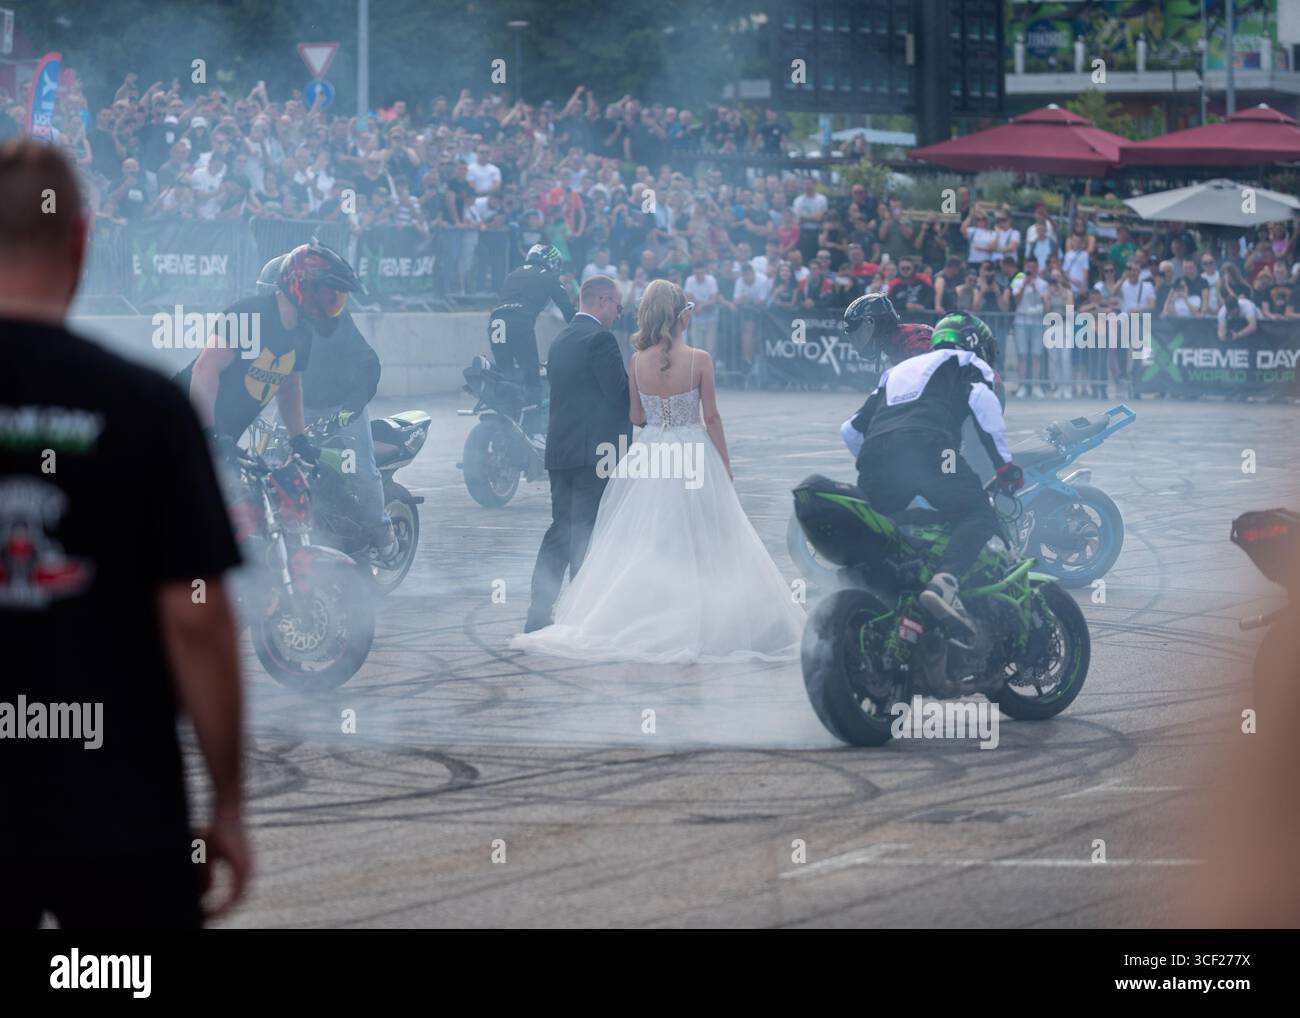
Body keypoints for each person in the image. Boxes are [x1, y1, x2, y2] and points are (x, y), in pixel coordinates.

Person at [0, 140, 249, 927]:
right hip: (115, 811)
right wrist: (231, 801)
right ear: (81, 239)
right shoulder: (145, 406)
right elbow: (197, 618)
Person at [512, 279, 803, 662]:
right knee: (704, 536)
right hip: (684, 453)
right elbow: (710, 417)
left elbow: (635, 414)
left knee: (635, 537)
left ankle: (584, 612)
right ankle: (709, 614)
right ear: (680, 315)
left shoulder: (618, 355)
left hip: (623, 453)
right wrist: (725, 463)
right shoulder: (698, 359)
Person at [843, 313, 1021, 636]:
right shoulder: (968, 362)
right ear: (974, 341)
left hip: (876, 459)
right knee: (977, 513)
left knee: (887, 525)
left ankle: (888, 597)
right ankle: (944, 584)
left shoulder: (893, 372)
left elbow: (850, 430)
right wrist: (1005, 467)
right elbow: (984, 406)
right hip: (932, 451)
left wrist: (877, 463)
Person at [252, 256, 397, 560]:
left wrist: (350, 407)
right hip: (299, 406)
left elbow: (369, 363)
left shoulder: (331, 318)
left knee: (362, 471)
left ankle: (382, 531)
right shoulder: (274, 324)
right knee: (268, 464)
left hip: (340, 406)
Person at [182, 242, 360, 471]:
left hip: (222, 439)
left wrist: (299, 441)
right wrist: (207, 432)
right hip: (181, 423)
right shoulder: (249, 314)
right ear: (303, 287)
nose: (332, 305)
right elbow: (204, 370)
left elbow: (289, 388)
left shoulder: (302, 333)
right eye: (328, 295)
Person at [521, 275, 629, 633]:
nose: (618, 313)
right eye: (617, 305)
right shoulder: (601, 340)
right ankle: (582, 614)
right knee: (587, 533)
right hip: (593, 454)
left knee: (562, 530)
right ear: (602, 301)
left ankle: (540, 610)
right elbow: (619, 396)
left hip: (562, 452)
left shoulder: (560, 340)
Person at [489, 243, 575, 412]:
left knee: (508, 374)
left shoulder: (513, 274)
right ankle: (532, 418)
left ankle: (506, 415)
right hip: (519, 323)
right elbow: (567, 310)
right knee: (531, 375)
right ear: (551, 261)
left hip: (495, 323)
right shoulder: (549, 277)